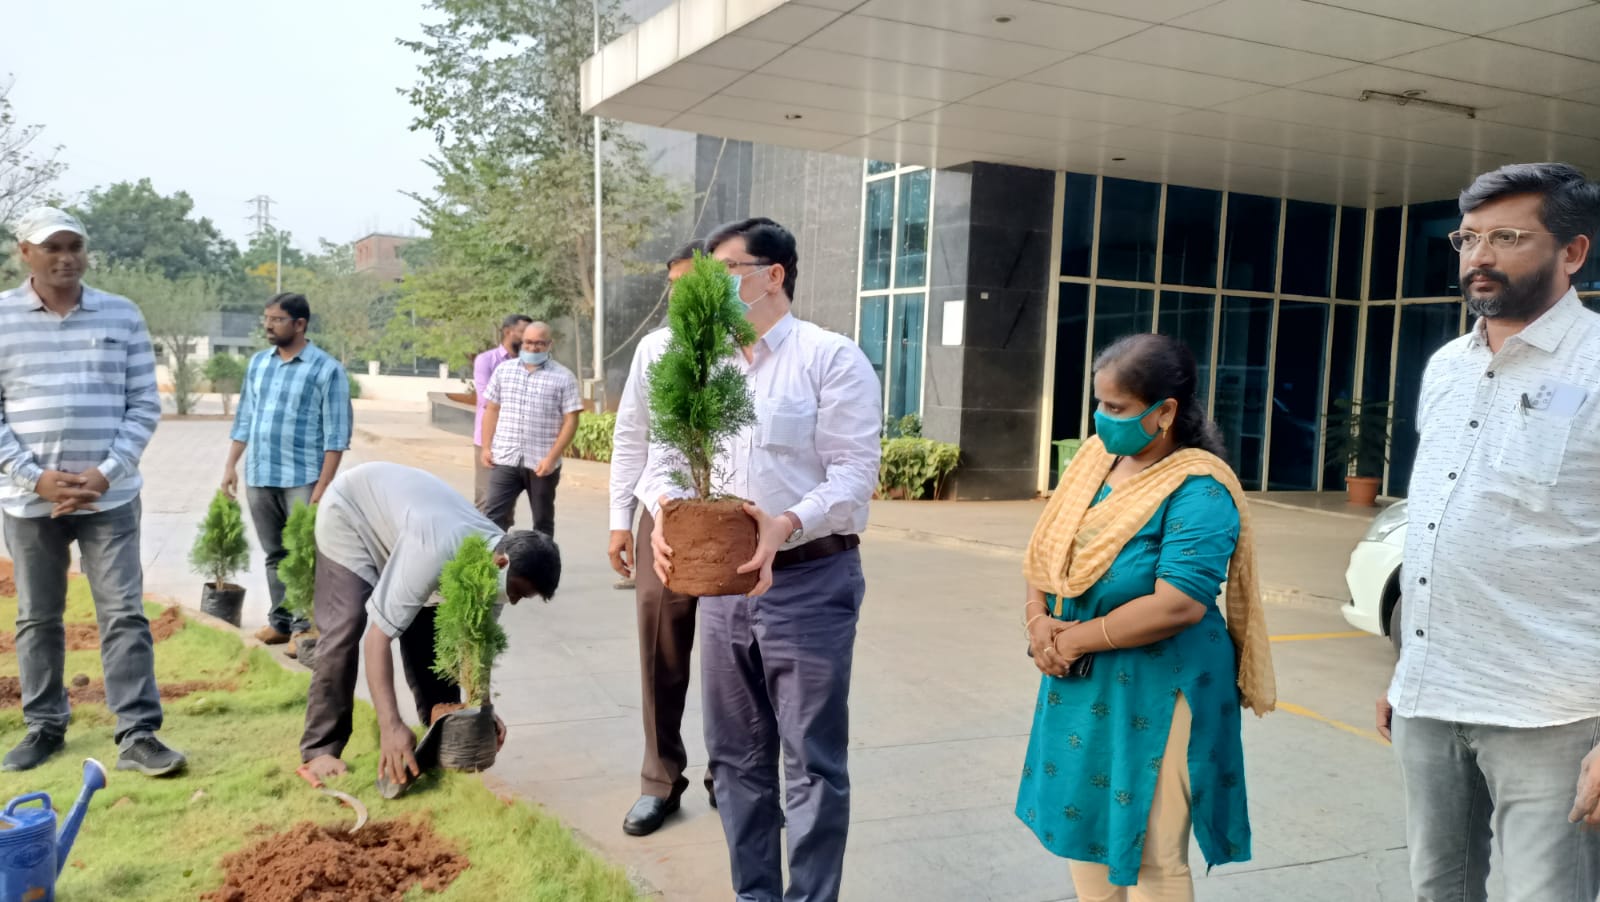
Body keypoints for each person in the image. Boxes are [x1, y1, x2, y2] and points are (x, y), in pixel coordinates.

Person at [1377, 162, 1600, 902]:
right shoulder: (1445, 366)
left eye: (1508, 237)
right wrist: (1407, 666)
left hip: (1552, 715)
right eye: (1468, 237)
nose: (1480, 256)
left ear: (1573, 252)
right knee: (1438, 890)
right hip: (1430, 699)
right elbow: (1438, 524)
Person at [647, 218, 881, 901]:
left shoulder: (830, 359)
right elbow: (664, 460)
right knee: (737, 760)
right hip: (722, 590)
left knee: (811, 763)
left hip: (811, 583)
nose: (709, 286)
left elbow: (853, 476)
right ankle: (755, 895)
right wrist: (664, 511)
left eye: (723, 271)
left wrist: (785, 524)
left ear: (770, 274)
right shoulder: (704, 365)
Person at [1018, 333, 1275, 902]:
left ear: (1165, 413)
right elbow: (1048, 546)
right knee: (1085, 831)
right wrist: (1038, 621)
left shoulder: (1199, 488)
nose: (1102, 419)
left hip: (1163, 681)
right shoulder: (1094, 461)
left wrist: (1074, 639)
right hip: (1081, 672)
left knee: (1153, 854)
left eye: (1117, 409)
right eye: (1099, 404)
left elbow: (1178, 602)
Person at [0, 207, 186, 776]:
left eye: (74, 246)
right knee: (36, 616)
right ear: (25, 252)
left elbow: (143, 403)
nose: (66, 257)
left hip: (110, 496)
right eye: (52, 247)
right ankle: (44, 726)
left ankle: (137, 733)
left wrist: (105, 472)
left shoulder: (121, 314)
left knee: (124, 612)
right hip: (30, 501)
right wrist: (37, 477)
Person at [299, 461, 561, 782]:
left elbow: (473, 643)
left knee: (435, 630)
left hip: (404, 528)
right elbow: (377, 639)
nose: (516, 601)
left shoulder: (493, 567)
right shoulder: (435, 548)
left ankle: (436, 736)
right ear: (501, 562)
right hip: (350, 513)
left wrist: (482, 709)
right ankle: (321, 749)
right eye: (519, 591)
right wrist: (391, 726)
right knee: (347, 623)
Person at [608, 239, 716, 836]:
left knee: (734, 653)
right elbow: (633, 435)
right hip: (664, 514)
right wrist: (620, 519)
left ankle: (730, 771)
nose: (682, 293)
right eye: (673, 282)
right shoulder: (656, 348)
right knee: (661, 643)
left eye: (694, 280)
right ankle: (660, 779)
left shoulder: (745, 347)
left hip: (734, 516)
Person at [221, 291, 352, 655]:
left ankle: (304, 627)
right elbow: (245, 418)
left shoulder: (326, 370)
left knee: (304, 555)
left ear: (300, 324)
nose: (268, 325)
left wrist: (323, 486)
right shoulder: (259, 364)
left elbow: (336, 435)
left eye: (276, 319)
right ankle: (280, 623)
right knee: (274, 553)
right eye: (266, 318)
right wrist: (231, 465)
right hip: (260, 474)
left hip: (303, 477)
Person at [479, 321, 582, 536]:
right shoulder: (504, 371)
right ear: (521, 342)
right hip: (506, 457)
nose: (533, 348)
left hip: (542, 463)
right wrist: (486, 447)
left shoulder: (564, 377)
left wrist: (552, 458)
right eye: (528, 342)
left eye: (539, 343)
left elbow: (571, 421)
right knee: (492, 518)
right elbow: (492, 409)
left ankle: (541, 568)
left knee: (543, 522)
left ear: (549, 344)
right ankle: (488, 565)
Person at [473, 314, 532, 508]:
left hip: (520, 443)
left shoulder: (531, 364)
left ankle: (502, 539)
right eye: (524, 333)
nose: (528, 339)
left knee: (505, 506)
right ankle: (480, 540)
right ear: (508, 332)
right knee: (486, 501)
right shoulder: (486, 360)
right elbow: (485, 400)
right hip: (490, 441)